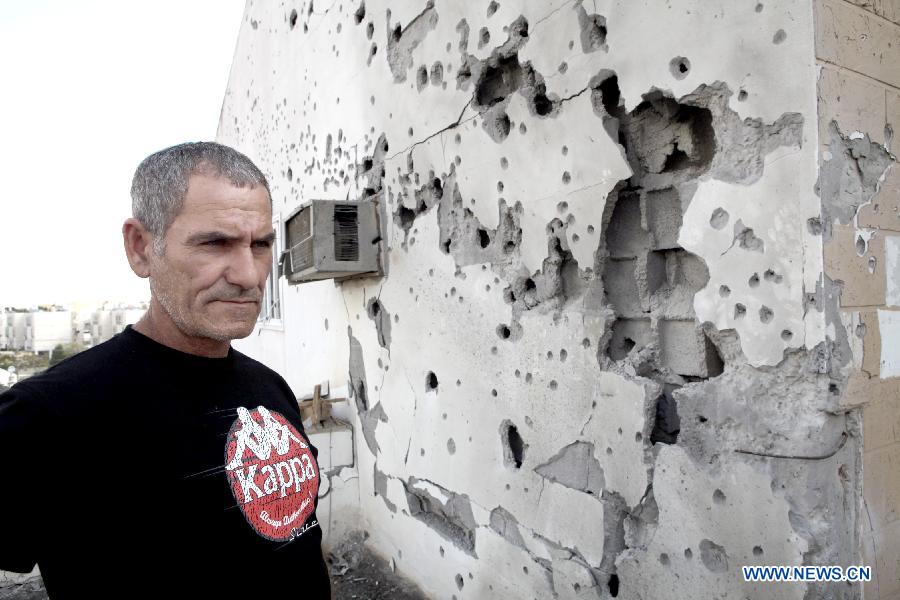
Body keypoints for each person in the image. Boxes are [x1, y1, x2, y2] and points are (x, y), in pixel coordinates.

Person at [0, 143, 331, 598]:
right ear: (141, 248)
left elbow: (299, 542)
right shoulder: (46, 414)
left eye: (261, 244)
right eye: (216, 243)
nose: (250, 275)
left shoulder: (269, 387)